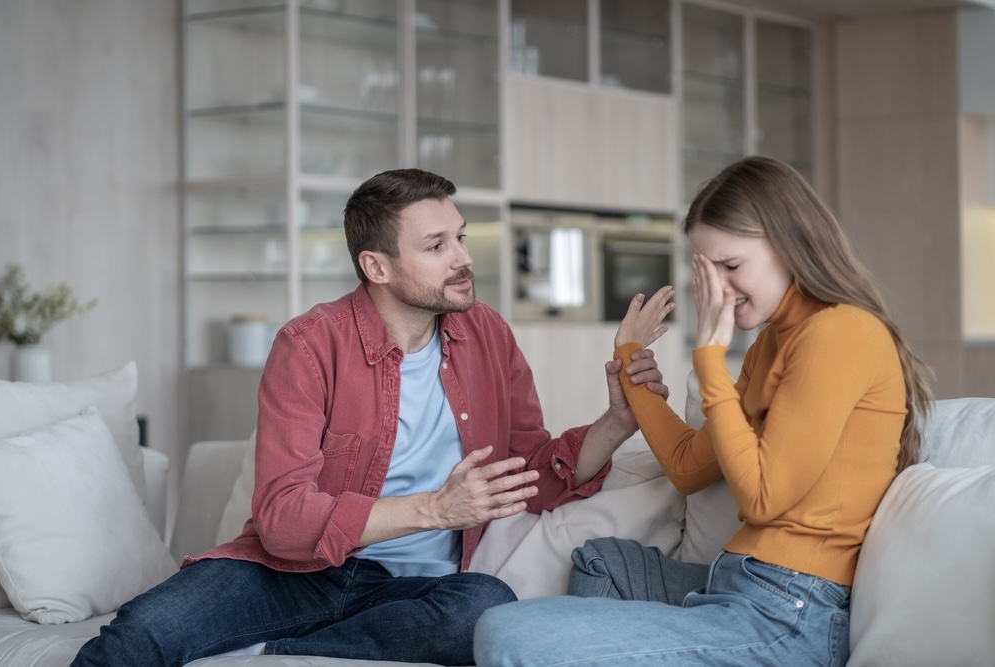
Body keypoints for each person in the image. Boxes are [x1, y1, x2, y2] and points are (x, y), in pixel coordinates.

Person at [71, 168, 665, 667]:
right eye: (436, 247)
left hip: (414, 589)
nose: (462, 260)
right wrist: (435, 509)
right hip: (295, 571)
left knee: (484, 607)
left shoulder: (487, 334)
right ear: (377, 267)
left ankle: (282, 652)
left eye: (459, 237)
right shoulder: (307, 345)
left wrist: (615, 422)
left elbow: (529, 469)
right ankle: (293, 641)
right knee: (141, 630)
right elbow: (281, 519)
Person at [473, 156, 933, 667]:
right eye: (706, 270)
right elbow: (692, 468)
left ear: (790, 242)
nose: (718, 290)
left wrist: (711, 359)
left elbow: (762, 498)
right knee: (604, 560)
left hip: (787, 613)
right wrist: (629, 360)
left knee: (504, 631)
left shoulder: (839, 332)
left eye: (731, 266)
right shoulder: (773, 343)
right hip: (734, 582)